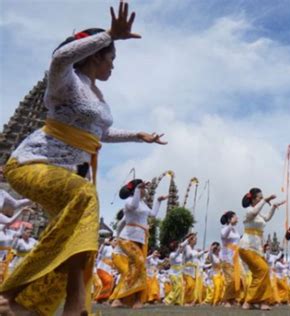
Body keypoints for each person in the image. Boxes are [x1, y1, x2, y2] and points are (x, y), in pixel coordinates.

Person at [0, 2, 167, 315]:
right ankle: (12, 292)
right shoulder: (66, 80)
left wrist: (139, 135)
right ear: (95, 54)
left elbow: (100, 134)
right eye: (111, 58)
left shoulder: (97, 95)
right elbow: (60, 57)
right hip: (32, 165)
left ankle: (64, 309)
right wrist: (109, 35)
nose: (113, 67)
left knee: (82, 235)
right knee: (85, 196)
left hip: (68, 173)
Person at [110, 180, 166, 308]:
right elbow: (133, 207)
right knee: (139, 262)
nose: (145, 190)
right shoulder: (130, 201)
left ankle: (133, 300)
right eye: (143, 188)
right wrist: (137, 188)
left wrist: (158, 201)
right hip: (127, 237)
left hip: (141, 238)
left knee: (139, 269)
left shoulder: (143, 204)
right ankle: (121, 298)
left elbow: (152, 214)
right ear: (137, 189)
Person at [238, 188, 285, 310]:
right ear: (253, 199)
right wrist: (264, 200)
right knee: (263, 269)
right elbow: (253, 213)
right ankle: (249, 301)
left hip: (256, 248)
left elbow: (267, 218)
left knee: (261, 273)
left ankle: (260, 301)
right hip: (247, 246)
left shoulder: (258, 213)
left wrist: (274, 206)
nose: (261, 199)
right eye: (259, 197)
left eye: (261, 197)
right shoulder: (249, 211)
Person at [219, 211, 243, 307]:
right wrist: (230, 225)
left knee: (239, 279)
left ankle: (233, 298)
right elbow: (224, 236)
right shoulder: (225, 229)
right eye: (235, 217)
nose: (237, 218)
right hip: (226, 258)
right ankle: (226, 300)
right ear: (230, 219)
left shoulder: (235, 230)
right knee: (231, 280)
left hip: (236, 257)